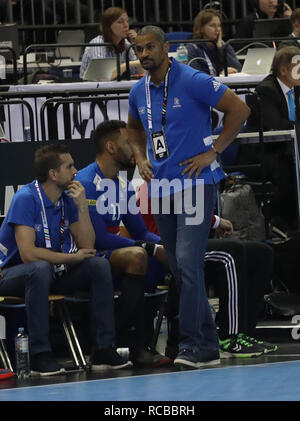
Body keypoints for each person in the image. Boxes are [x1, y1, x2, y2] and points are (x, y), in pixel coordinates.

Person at [127, 25, 250, 369]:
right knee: (180, 267)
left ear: (166, 47)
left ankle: (194, 346)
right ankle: (208, 345)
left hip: (196, 182)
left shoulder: (192, 79)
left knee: (188, 263)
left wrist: (214, 150)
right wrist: (139, 157)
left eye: (150, 47)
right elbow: (134, 129)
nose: (144, 54)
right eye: (139, 49)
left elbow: (239, 110)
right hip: (162, 186)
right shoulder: (138, 91)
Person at [0, 143, 130, 376]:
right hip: (12, 273)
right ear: (53, 173)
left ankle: (103, 349)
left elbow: (87, 247)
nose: (75, 171)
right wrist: (70, 259)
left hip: (52, 271)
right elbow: (28, 255)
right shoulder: (26, 198)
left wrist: (82, 208)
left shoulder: (68, 198)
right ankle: (40, 354)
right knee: (39, 268)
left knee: (98, 265)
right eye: (69, 166)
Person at [138, 181, 277, 358]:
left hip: (187, 243)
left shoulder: (180, 183)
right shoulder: (153, 188)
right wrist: (216, 221)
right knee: (230, 252)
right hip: (168, 251)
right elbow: (174, 217)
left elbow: (187, 211)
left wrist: (215, 221)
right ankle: (230, 337)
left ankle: (245, 333)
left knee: (261, 252)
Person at [75, 120, 171, 368]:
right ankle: (112, 343)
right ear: (110, 147)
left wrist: (168, 246)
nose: (135, 148)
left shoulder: (122, 185)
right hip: (84, 256)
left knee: (169, 259)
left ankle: (149, 345)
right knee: (139, 256)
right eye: (128, 143)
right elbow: (97, 238)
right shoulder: (86, 182)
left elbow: (140, 231)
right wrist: (152, 248)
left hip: (114, 254)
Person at [244, 46, 300, 231]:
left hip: (289, 147)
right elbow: (276, 124)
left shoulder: (295, 89)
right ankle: (285, 223)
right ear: (284, 70)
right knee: (288, 169)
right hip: (265, 150)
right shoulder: (266, 90)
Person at [80, 6, 143, 79]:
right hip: (90, 88)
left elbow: (141, 73)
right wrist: (126, 65)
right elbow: (103, 77)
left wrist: (137, 45)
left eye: (127, 21)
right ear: (108, 26)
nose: (126, 25)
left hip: (117, 87)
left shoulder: (126, 43)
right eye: (120, 22)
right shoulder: (98, 43)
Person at [187, 9, 242, 76]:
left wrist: (220, 48)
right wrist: (221, 74)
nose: (217, 29)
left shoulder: (223, 45)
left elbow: (239, 69)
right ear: (201, 28)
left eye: (219, 25)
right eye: (212, 25)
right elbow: (196, 76)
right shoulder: (193, 47)